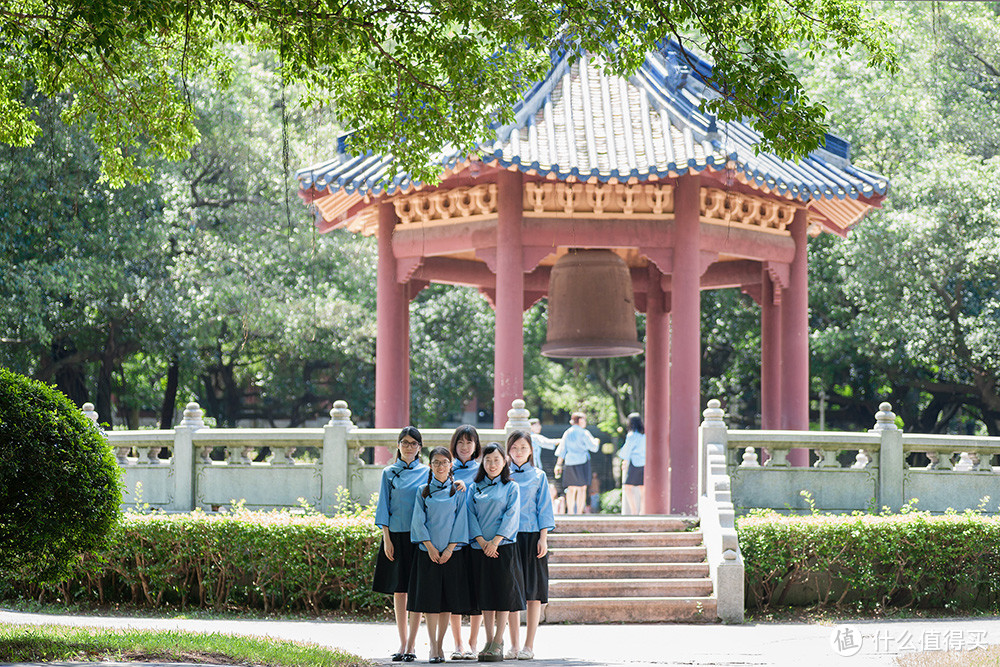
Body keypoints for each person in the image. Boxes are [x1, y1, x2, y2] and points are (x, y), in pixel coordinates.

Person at [408, 447, 473, 664]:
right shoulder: (423, 490)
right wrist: (430, 546)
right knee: (430, 603)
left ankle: (441, 645)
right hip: (428, 554)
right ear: (430, 465)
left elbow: (461, 521)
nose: (441, 466)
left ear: (451, 465)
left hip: (451, 555)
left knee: (446, 603)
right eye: (436, 462)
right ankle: (433, 647)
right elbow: (418, 521)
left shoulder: (458, 491)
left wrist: (449, 549)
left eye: (445, 462)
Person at [373, 427, 429, 662]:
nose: (409, 447)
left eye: (414, 443)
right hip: (394, 537)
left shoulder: (428, 472)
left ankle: (412, 645)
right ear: (398, 445)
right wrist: (387, 539)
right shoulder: (389, 472)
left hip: (419, 538)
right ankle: (402, 641)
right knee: (399, 591)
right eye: (404, 443)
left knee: (416, 590)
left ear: (419, 448)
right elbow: (383, 507)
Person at [467, 442, 524, 662]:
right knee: (486, 596)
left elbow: (511, 516)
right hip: (479, 549)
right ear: (482, 462)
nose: (492, 464)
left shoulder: (511, 487)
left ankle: (499, 641)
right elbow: (470, 515)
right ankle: (488, 640)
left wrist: (495, 542)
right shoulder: (475, 487)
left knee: (503, 596)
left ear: (504, 462)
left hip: (503, 549)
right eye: (488, 460)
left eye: (497, 460)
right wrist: (482, 542)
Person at [505, 430, 555, 661]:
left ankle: (529, 645)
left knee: (533, 593)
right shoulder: (502, 475)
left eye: (523, 447)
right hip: (509, 538)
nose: (518, 452)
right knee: (512, 593)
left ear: (531, 450)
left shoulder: (539, 476)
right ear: (508, 450)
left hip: (533, 537)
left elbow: (544, 509)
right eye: (514, 448)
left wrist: (543, 538)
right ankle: (514, 644)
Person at [448, 425, 482, 660]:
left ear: (476, 446)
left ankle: (473, 642)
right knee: (456, 592)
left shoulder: (484, 469)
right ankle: (458, 643)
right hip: (455, 542)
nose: (464, 447)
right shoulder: (445, 468)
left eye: (469, 442)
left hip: (478, 539)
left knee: (478, 592)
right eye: (460, 442)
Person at [553, 412, 598, 514]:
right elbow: (593, 447)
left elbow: (562, 449)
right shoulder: (584, 432)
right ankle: (579, 512)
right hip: (582, 462)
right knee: (582, 488)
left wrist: (558, 464)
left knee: (571, 488)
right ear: (580, 420)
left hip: (569, 462)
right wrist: (596, 442)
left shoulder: (567, 432)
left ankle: (570, 512)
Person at [618, 412, 646, 515]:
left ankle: (634, 510)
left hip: (634, 463)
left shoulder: (631, 435)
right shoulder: (644, 435)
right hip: (645, 463)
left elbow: (627, 450)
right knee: (643, 488)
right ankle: (643, 511)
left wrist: (624, 461)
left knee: (627, 487)